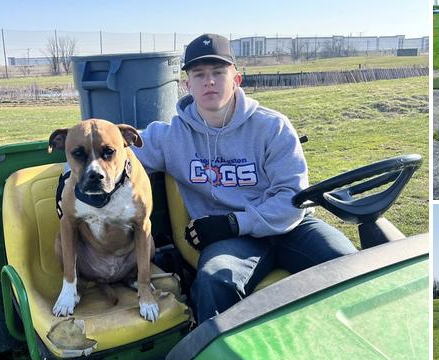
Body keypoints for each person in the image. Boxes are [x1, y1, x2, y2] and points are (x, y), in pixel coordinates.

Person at [132, 33, 356, 324]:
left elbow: (292, 197)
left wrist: (234, 222)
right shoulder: (170, 136)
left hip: (289, 228)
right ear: (187, 85)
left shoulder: (272, 127)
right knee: (215, 280)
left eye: (218, 72)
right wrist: (72, 177)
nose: (209, 81)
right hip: (233, 242)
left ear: (236, 79)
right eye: (199, 74)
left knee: (349, 264)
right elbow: (109, 153)